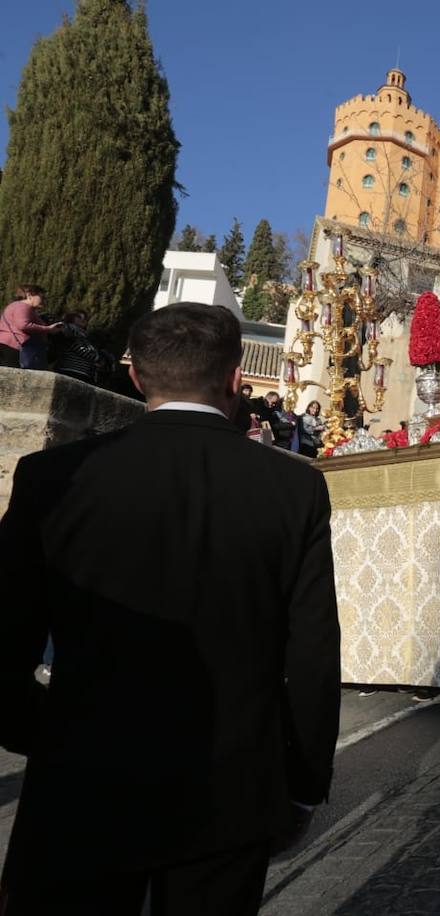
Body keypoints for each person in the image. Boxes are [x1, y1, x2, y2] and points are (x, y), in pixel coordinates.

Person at [0, 302, 341, 915]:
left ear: (135, 376)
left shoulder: (51, 476)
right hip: (229, 782)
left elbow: (4, 635)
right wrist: (303, 784)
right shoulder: (293, 487)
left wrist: (43, 731)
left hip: (83, 768)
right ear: (236, 378)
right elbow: (313, 653)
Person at [0, 285, 62, 370]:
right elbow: (23, 325)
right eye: (41, 297)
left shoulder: (17, 306)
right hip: (14, 347)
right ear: (29, 295)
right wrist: (48, 329)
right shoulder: (23, 307)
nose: (44, 300)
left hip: (10, 345)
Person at [49, 311, 111, 385]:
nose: (83, 319)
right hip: (70, 369)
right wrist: (97, 358)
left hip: (82, 373)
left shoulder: (84, 334)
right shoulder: (71, 328)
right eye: (79, 316)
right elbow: (75, 345)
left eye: (85, 317)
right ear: (71, 317)